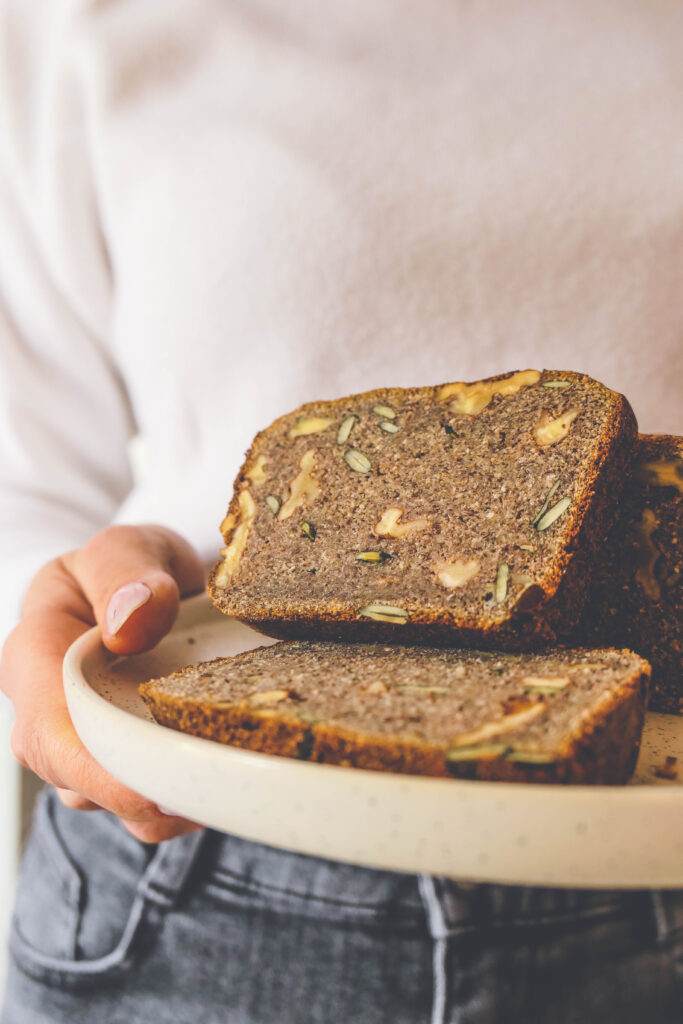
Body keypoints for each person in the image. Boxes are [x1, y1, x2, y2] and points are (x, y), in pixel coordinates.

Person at [1, 1, 682, 1021]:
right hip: (197, 870)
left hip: (651, 858)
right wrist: (50, 620)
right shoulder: (73, 21)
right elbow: (26, 470)